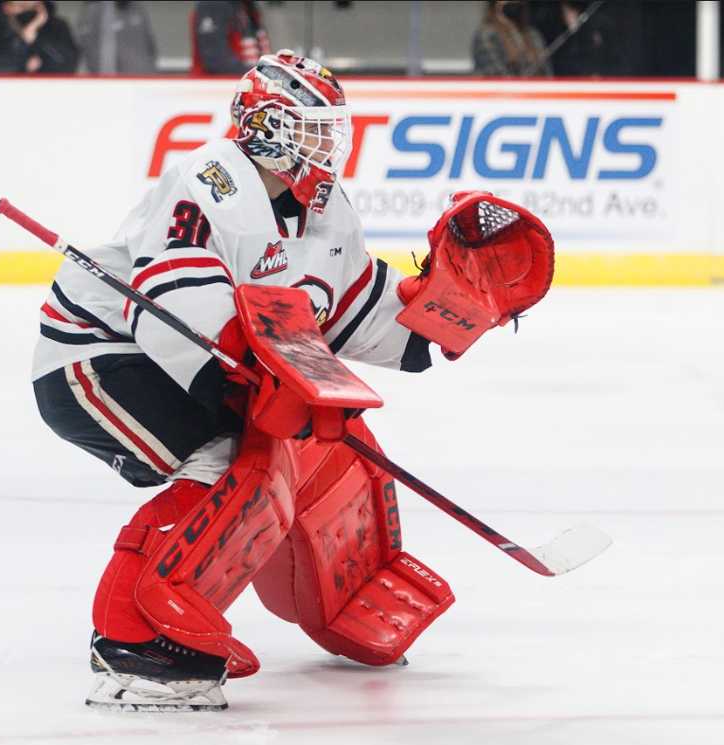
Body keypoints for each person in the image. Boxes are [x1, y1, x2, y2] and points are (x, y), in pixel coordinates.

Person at [28, 50, 554, 711]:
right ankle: (138, 637)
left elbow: (360, 309)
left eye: (331, 127)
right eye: (312, 127)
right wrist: (258, 383)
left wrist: (443, 310)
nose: (328, 142)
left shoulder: (328, 214)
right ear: (266, 126)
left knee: (331, 444)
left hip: (192, 361)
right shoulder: (212, 179)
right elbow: (168, 303)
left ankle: (350, 591)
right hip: (97, 356)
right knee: (233, 461)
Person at [0, 0, 79, 75]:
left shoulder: (55, 25)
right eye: (21, 7)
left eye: (35, 7)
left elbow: (69, 63)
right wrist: (22, 45)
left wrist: (36, 38)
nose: (27, 13)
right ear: (7, 6)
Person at [472, 0, 552, 77]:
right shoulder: (486, 36)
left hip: (535, 89)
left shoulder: (533, 35)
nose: (514, 2)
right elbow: (496, 75)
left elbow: (546, 72)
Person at [77, 0, 157, 75]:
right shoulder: (94, 11)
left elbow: (150, 44)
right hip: (115, 81)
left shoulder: (136, 8)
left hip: (145, 77)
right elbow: (91, 51)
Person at [191, 0, 270, 75]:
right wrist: (263, 74)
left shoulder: (246, 6)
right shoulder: (213, 5)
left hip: (248, 84)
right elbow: (217, 61)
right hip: (220, 85)